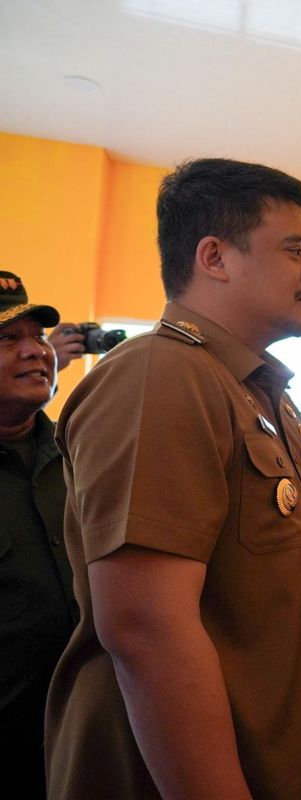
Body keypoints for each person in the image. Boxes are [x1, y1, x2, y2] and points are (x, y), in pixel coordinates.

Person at [46, 158, 301, 800]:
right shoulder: (161, 375)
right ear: (215, 257)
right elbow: (146, 627)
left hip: (269, 756)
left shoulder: (261, 397)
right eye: (294, 250)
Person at [0, 272, 79, 799]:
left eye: (39, 337)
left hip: (80, 741)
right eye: (9, 339)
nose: (36, 352)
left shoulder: (81, 454)